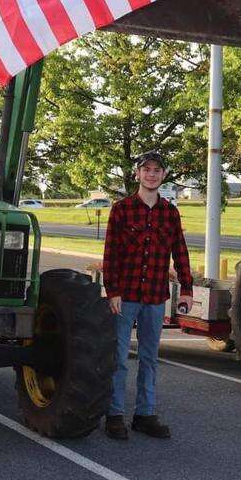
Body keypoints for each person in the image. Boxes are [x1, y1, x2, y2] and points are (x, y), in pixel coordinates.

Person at [102, 151, 193, 440]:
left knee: (150, 358)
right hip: (125, 295)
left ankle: (145, 414)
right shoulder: (122, 209)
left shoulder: (170, 212)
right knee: (118, 358)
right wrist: (112, 290)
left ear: (163, 175)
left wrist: (187, 288)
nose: (151, 174)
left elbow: (180, 251)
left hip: (155, 296)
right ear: (138, 174)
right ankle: (114, 415)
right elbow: (111, 254)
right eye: (146, 170)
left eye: (157, 170)